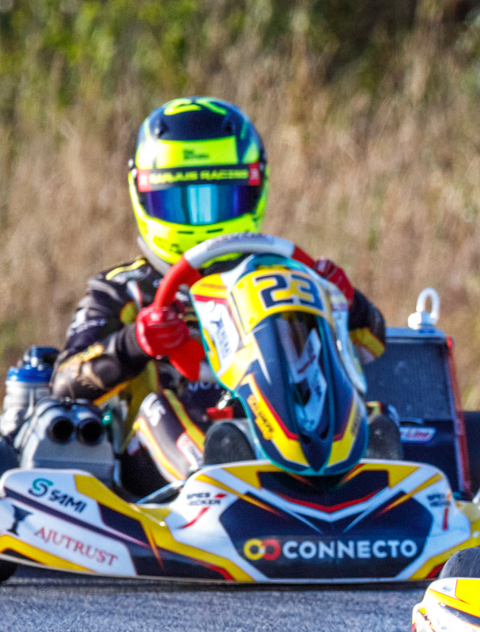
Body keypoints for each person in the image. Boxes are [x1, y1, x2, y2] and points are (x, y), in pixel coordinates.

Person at [52, 97, 386, 493]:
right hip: (164, 473)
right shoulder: (122, 289)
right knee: (160, 408)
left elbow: (372, 344)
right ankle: (216, 470)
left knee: (374, 412)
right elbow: (65, 384)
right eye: (181, 201)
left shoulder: (281, 275)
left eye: (218, 199)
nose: (202, 218)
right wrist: (135, 343)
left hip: (273, 426)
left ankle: (367, 466)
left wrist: (343, 301)